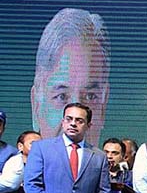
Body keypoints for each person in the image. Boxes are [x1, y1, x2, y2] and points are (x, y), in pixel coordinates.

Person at [31, 8, 109, 147]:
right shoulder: (22, 163)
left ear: (103, 108)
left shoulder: (100, 160)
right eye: (61, 96)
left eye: (90, 96)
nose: (76, 114)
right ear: (36, 105)